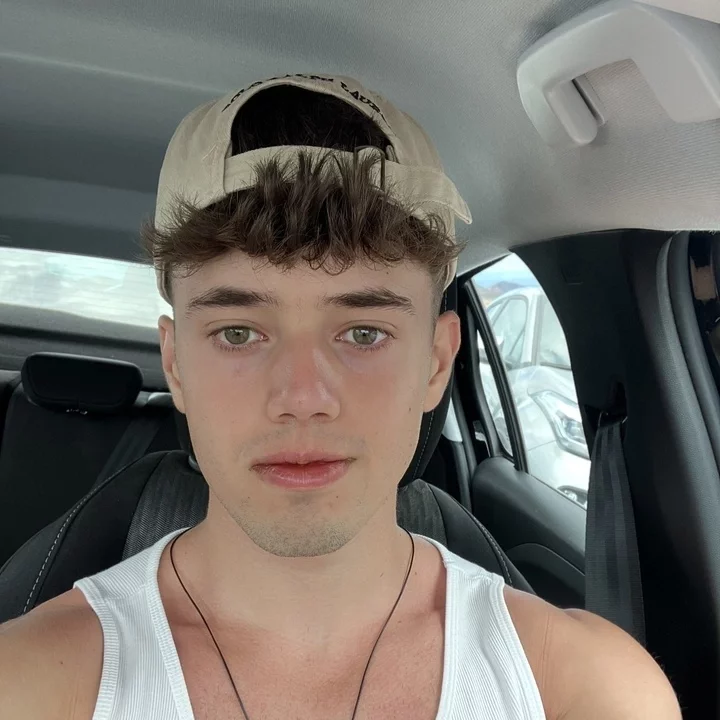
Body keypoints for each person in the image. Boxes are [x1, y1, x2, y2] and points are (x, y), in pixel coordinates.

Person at [0, 74, 680, 720]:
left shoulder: (586, 689)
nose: (302, 398)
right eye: (238, 333)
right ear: (176, 365)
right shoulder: (29, 683)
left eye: (363, 332)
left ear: (437, 362)